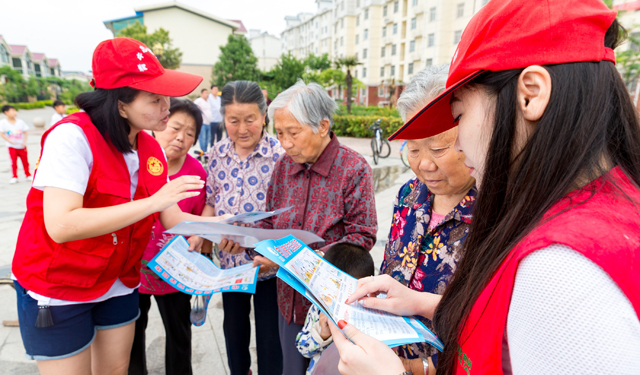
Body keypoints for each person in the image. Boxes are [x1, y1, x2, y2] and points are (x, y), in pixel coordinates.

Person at [328, 1, 640, 375]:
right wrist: (424, 303)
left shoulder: (561, 271)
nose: (458, 143)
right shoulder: (602, 207)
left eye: (458, 115)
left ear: (531, 94)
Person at [11, 37, 229, 375]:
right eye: (155, 99)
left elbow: (171, 218)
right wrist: (152, 203)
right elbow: (62, 223)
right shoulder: (72, 138)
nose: (166, 108)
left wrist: (230, 225)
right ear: (120, 103)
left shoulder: (149, 147)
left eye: (166, 98)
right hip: (60, 286)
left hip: (118, 280)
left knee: (116, 370)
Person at [220, 80, 378, 375]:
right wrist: (248, 241)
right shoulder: (283, 166)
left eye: (293, 133)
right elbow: (270, 222)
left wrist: (300, 260)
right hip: (288, 300)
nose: (285, 143)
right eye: (279, 133)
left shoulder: (353, 168)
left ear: (322, 126)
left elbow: (362, 234)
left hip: (329, 309)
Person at [379, 64, 476, 374]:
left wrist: (419, 367)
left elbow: (491, 319)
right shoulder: (409, 194)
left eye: (438, 148)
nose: (423, 165)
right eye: (413, 148)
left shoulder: (496, 209)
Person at [201, 80, 285, 375]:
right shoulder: (217, 153)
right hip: (229, 264)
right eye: (233, 121)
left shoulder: (281, 157)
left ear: (264, 116)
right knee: (233, 331)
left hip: (268, 265)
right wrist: (204, 232)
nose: (242, 129)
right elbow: (211, 201)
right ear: (223, 118)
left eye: (250, 119)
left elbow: (286, 216)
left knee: (269, 337)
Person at [128, 98, 205, 375]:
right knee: (131, 338)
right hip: (133, 269)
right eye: (175, 128)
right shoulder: (135, 163)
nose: (181, 137)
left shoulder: (196, 173)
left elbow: (199, 215)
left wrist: (199, 234)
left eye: (190, 133)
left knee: (179, 336)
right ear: (158, 125)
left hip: (175, 272)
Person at [296, 242, 374, 375]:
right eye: (334, 289)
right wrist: (321, 334)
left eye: (350, 290)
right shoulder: (318, 308)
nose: (341, 298)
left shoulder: (371, 311)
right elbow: (302, 347)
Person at [1, 105, 31, 184]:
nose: (15, 112)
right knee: (13, 162)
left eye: (15, 110)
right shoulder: (3, 122)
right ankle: (14, 176)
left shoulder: (20, 122)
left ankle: (28, 175)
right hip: (12, 147)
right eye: (12, 111)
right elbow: (2, 133)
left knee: (25, 161)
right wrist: (9, 141)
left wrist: (24, 142)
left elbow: (25, 131)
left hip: (21, 146)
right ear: (6, 112)